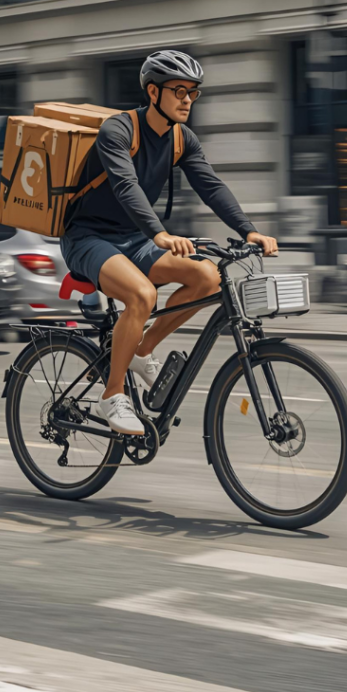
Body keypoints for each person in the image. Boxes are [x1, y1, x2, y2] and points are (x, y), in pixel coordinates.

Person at [61, 50, 278, 435]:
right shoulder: (119, 130)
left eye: (193, 93)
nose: (187, 100)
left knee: (207, 277)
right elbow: (125, 185)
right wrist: (159, 233)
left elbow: (210, 185)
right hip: (89, 237)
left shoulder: (182, 139)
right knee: (142, 295)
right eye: (179, 90)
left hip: (134, 239)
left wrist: (249, 230)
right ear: (153, 92)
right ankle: (112, 397)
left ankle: (141, 350)